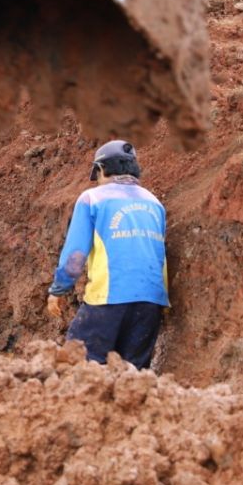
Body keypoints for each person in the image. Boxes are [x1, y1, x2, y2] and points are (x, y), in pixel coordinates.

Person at [47, 141, 168, 370]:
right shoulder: (155, 203)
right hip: (151, 302)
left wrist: (58, 289)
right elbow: (160, 255)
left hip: (108, 299)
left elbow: (75, 255)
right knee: (133, 375)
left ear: (101, 169)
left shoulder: (93, 199)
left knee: (76, 363)